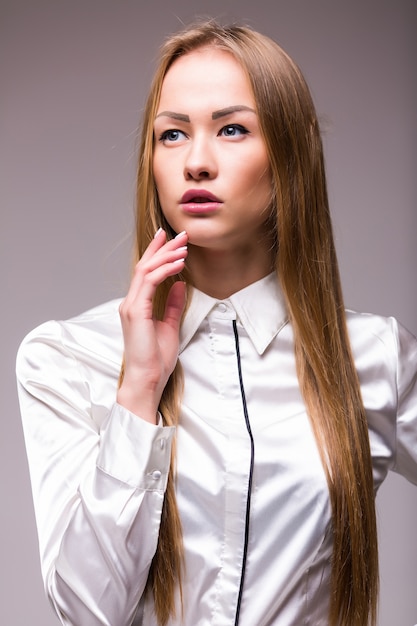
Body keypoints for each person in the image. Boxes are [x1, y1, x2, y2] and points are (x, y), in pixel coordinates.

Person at [16, 19, 417, 626]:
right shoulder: (67, 356)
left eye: (232, 129)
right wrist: (139, 392)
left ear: (292, 148)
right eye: (172, 135)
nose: (196, 163)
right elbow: (87, 609)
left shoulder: (376, 355)